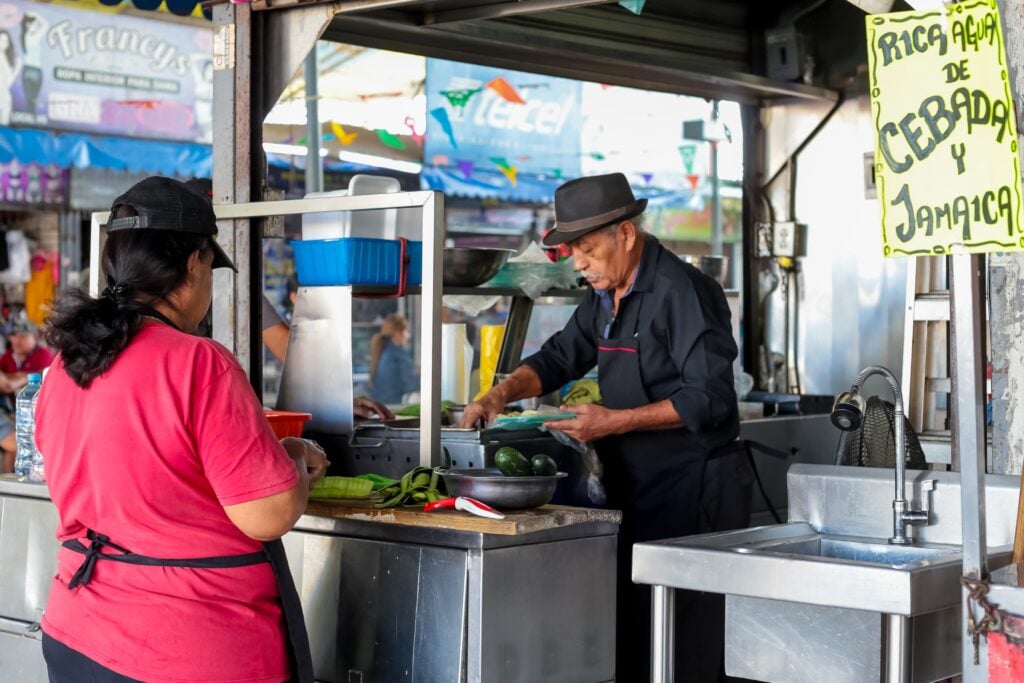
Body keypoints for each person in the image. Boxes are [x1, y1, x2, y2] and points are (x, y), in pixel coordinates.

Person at [35, 176, 328, 683]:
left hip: (77, 633)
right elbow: (269, 512)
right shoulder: (199, 363)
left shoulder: (67, 364)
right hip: (188, 650)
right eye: (212, 266)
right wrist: (298, 459)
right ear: (194, 263)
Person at [461, 172, 752, 682]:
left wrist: (613, 421)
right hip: (634, 485)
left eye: (588, 249)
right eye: (573, 252)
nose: (580, 264)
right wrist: (498, 394)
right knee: (636, 628)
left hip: (693, 486)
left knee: (689, 636)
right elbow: (559, 357)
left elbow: (709, 398)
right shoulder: (602, 292)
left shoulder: (682, 291)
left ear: (626, 234)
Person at [369, 313, 418, 405]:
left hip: (381, 404)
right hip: (395, 405)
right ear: (397, 333)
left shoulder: (384, 350)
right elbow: (411, 385)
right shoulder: (398, 354)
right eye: (406, 331)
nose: (408, 336)